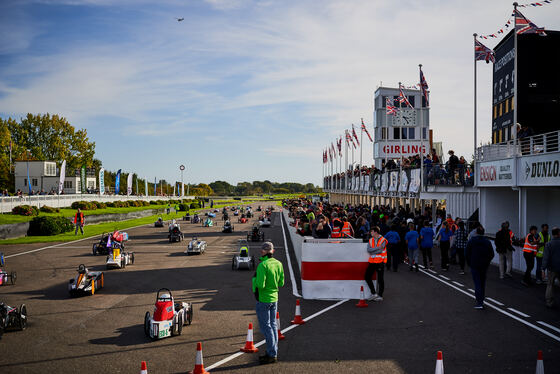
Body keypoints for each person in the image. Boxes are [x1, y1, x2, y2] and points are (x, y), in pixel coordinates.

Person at [252, 242, 284, 365]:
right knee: (273, 326)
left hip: (264, 299)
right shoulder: (279, 264)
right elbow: (281, 283)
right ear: (273, 251)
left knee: (266, 327)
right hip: (274, 298)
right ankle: (273, 352)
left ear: (263, 252)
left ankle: (272, 354)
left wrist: (254, 280)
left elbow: (260, 284)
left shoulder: (262, 265)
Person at [466, 226, 494, 309]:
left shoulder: (472, 241)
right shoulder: (487, 241)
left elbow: (467, 253)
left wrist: (469, 263)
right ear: (483, 232)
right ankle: (481, 299)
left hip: (474, 264)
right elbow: (491, 254)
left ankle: (479, 302)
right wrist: (487, 262)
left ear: (476, 232)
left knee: (477, 283)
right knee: (482, 283)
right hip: (484, 265)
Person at [365, 226, 387, 302]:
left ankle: (380, 296)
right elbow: (368, 250)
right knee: (367, 276)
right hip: (372, 261)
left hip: (380, 261)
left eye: (371, 231)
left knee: (380, 279)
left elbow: (381, 251)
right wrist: (377, 248)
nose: (370, 233)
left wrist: (373, 250)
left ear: (375, 232)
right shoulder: (370, 240)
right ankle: (374, 293)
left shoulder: (383, 240)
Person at [542, 228, 560, 309]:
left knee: (550, 285)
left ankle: (549, 302)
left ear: (552, 234)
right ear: (558, 233)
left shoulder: (548, 244)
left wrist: (543, 269)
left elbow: (546, 257)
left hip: (551, 268)